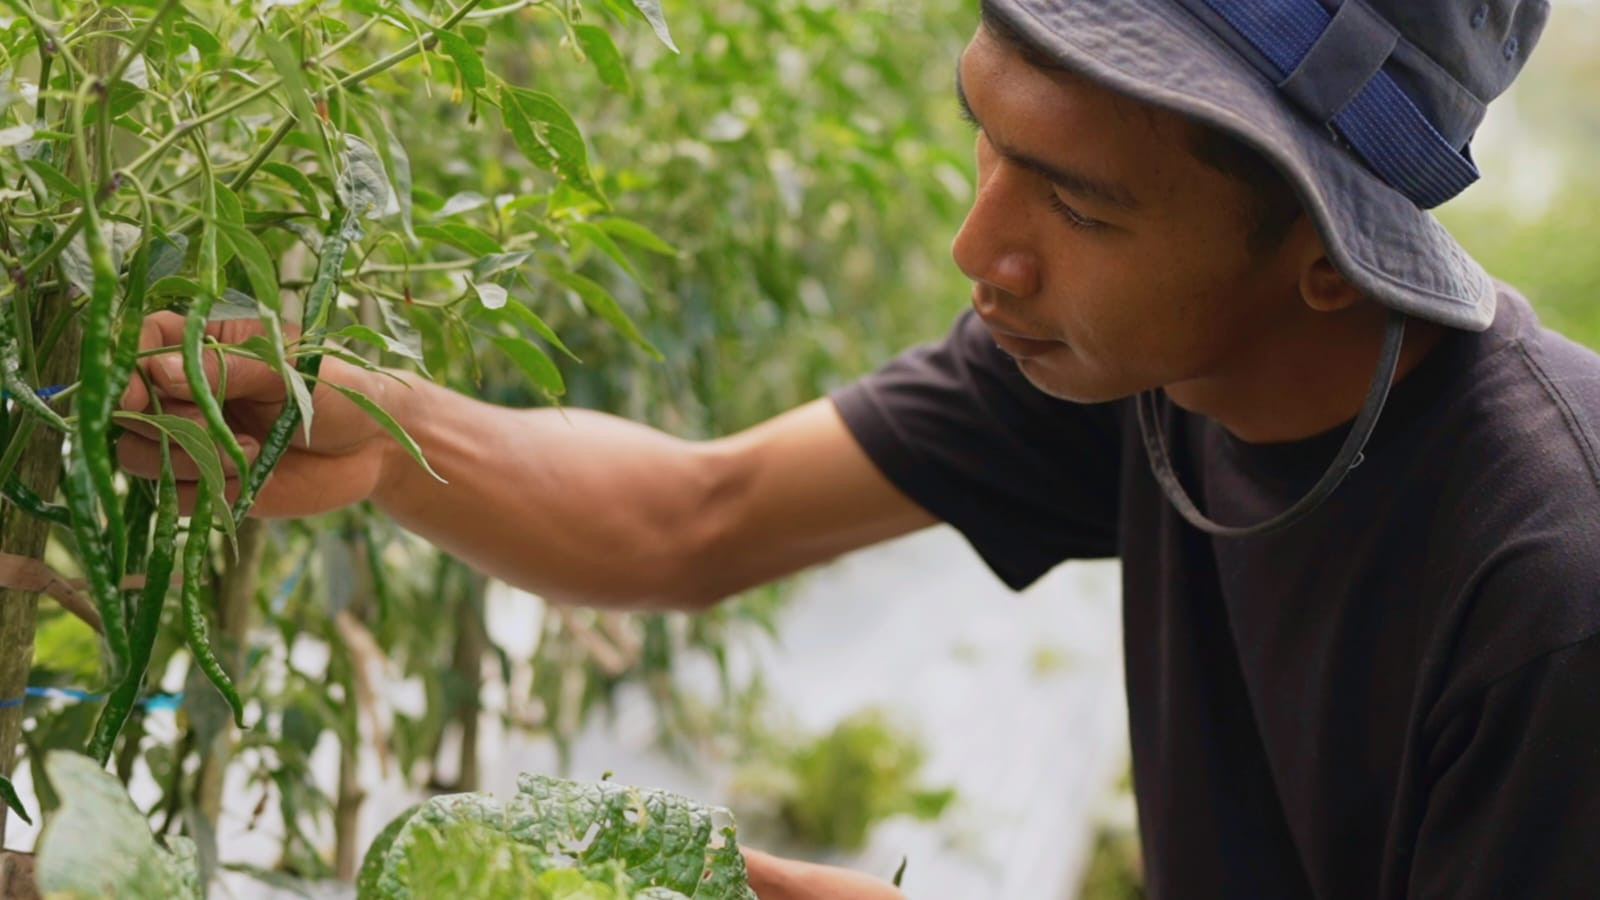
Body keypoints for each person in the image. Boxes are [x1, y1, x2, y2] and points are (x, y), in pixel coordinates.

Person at [119, 0, 1600, 897]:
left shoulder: (1547, 600)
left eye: (1077, 207)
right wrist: (387, 433)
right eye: (987, 139)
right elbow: (698, 518)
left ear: (1330, 257)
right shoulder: (1155, 364)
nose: (980, 247)